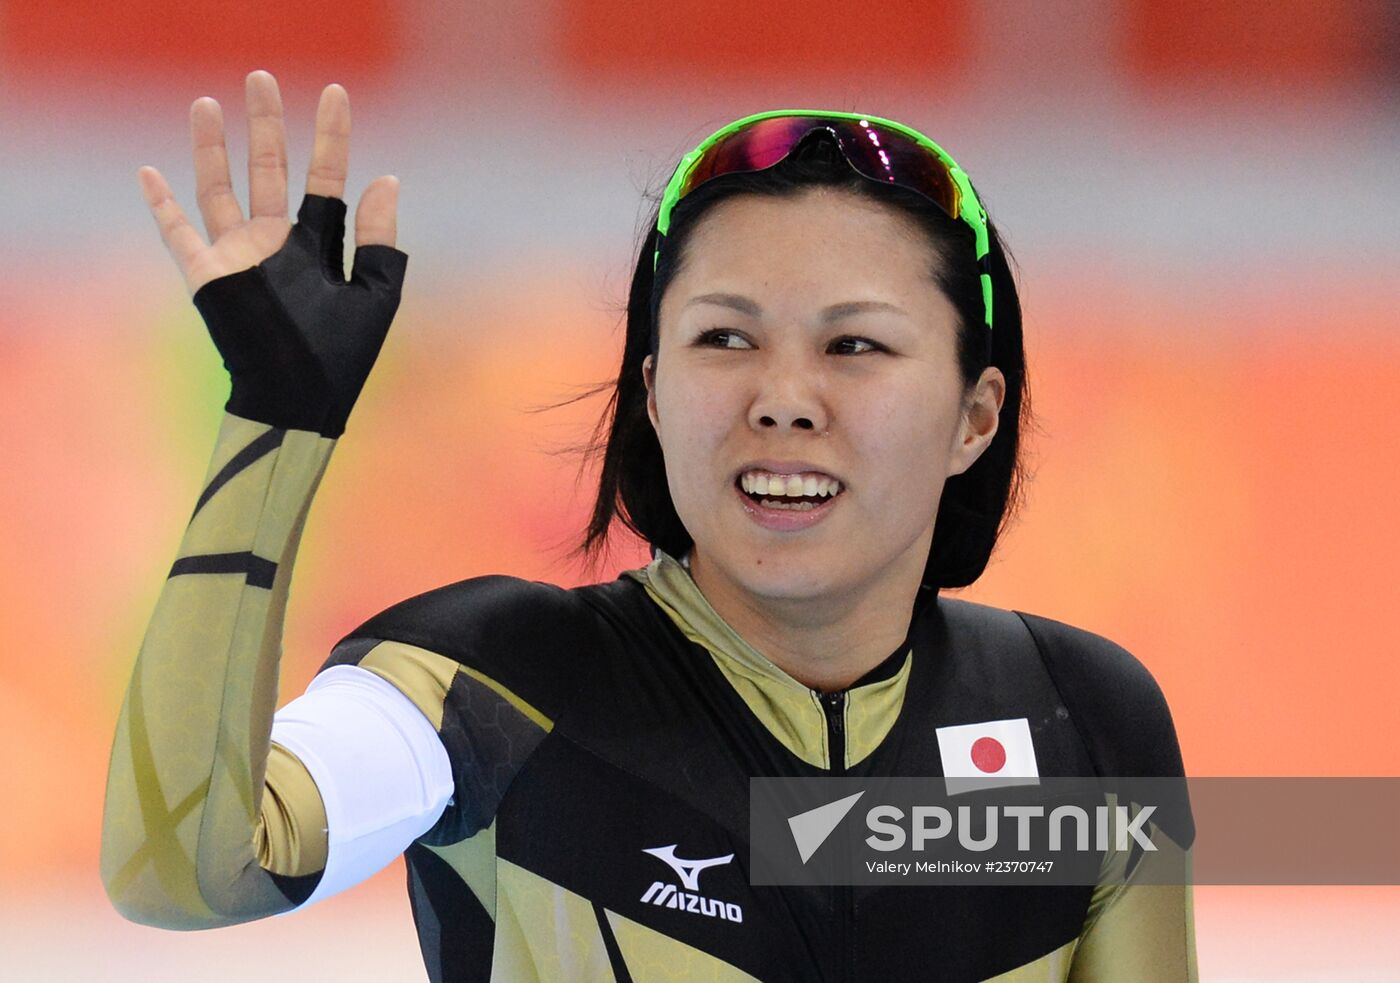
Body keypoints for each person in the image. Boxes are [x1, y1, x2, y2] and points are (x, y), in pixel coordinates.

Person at [101, 69, 1197, 982]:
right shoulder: (488, 686)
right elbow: (180, 868)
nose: (782, 397)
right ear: (655, 392)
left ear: (973, 415)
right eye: (724, 338)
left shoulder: (1082, 723)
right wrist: (276, 418)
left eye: (853, 345)